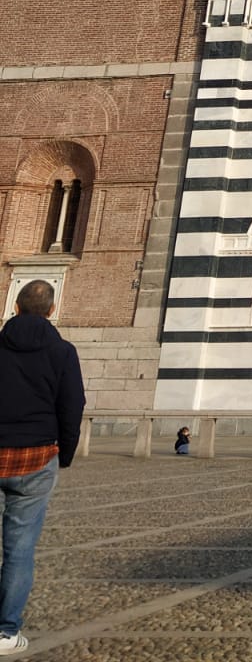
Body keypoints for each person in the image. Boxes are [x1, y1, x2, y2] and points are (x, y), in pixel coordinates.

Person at [0, 279, 86, 653]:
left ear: (15, 307)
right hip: (36, 457)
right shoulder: (62, 351)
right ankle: (5, 633)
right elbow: (72, 406)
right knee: (19, 549)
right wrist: (64, 453)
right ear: (52, 310)